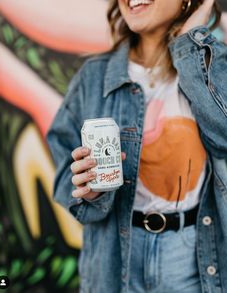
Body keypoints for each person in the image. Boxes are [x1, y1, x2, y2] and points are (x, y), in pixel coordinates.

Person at [47, 0, 227, 292]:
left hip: (193, 257)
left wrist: (192, 42)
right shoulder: (93, 77)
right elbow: (63, 170)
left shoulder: (215, 70)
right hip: (115, 258)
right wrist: (88, 190)